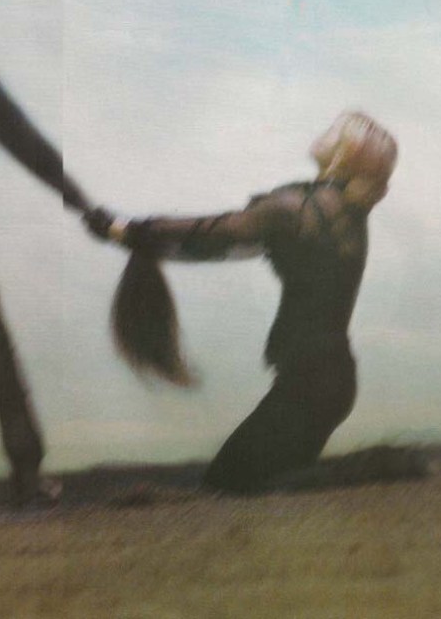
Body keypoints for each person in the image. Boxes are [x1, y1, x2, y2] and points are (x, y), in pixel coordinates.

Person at [86, 111, 398, 493]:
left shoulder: (299, 208)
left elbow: (218, 232)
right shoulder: (342, 210)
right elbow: (223, 238)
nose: (325, 131)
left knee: (229, 485)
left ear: (346, 152)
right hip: (327, 381)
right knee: (250, 481)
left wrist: (126, 230)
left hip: (310, 385)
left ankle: (375, 473)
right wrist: (133, 234)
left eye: (336, 131)